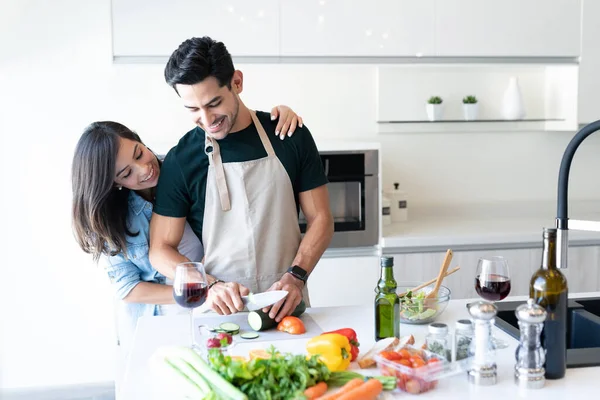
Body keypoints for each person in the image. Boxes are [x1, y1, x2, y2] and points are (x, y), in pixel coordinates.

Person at [70, 106, 303, 349]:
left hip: (211, 312)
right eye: (127, 173)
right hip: (156, 324)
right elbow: (128, 289)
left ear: (139, 140)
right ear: (114, 183)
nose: (144, 169)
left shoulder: (181, 169)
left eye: (139, 154)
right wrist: (196, 293)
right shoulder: (113, 220)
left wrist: (277, 118)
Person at [149, 36, 334, 323]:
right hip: (219, 314)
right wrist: (209, 286)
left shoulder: (289, 136)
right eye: (193, 110)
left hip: (287, 306)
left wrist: (296, 277)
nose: (207, 118)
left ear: (237, 82)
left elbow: (321, 218)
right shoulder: (181, 159)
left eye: (214, 103)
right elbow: (159, 250)